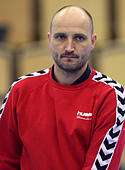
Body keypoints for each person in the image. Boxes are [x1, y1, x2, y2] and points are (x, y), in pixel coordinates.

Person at [0, 5, 125, 170]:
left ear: (93, 41)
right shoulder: (20, 90)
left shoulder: (111, 95)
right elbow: (4, 161)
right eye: (61, 37)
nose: (69, 47)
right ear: (49, 39)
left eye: (79, 38)